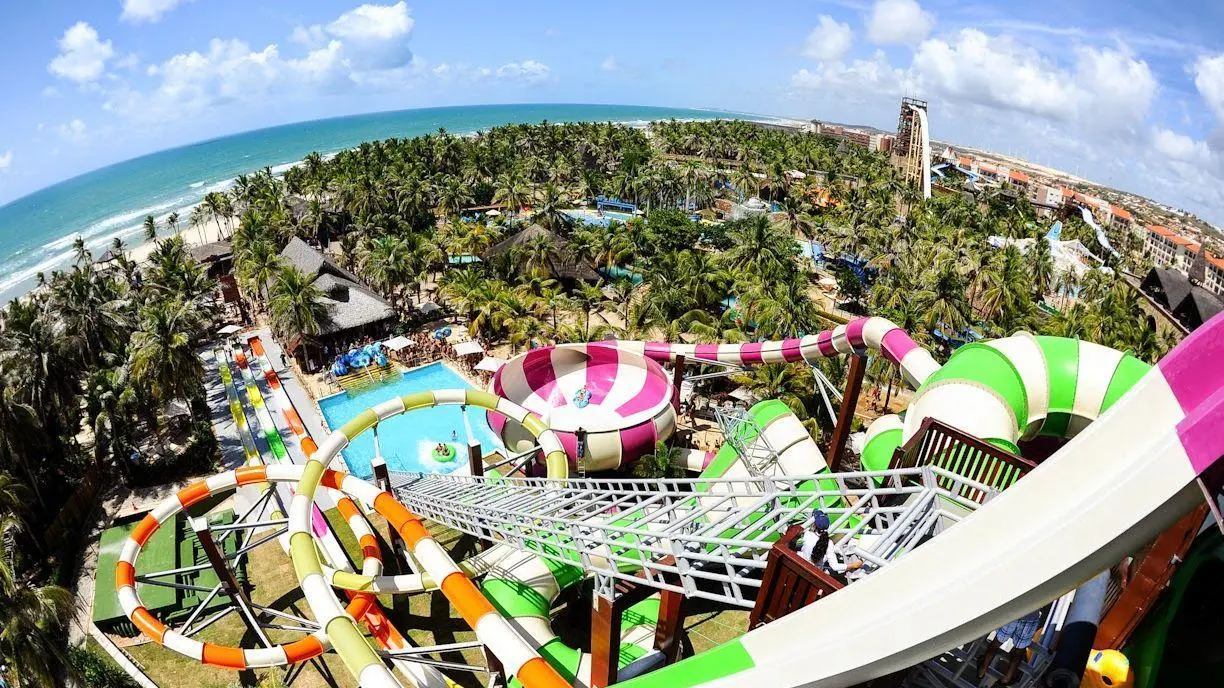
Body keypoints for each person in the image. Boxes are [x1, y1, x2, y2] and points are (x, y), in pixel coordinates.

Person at [978, 608, 1044, 685]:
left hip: (1014, 613)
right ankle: (1007, 678)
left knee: (996, 642)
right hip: (1031, 618)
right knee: (1019, 651)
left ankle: (982, 670)